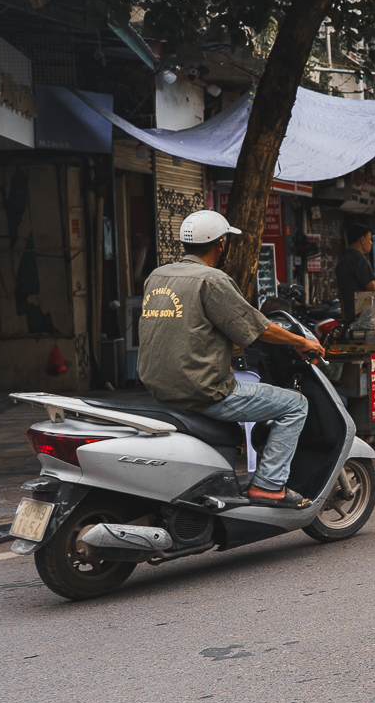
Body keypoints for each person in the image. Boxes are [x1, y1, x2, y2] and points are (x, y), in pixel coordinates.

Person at [138, 210, 324, 505]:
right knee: (296, 405)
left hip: (160, 389)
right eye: (226, 242)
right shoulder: (212, 280)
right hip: (204, 390)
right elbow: (256, 326)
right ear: (220, 244)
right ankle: (269, 484)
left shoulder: (157, 277)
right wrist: (301, 341)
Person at [335, 226, 375, 326]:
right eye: (370, 239)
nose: (371, 243)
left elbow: (341, 296)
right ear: (362, 240)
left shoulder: (342, 262)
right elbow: (373, 291)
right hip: (364, 319)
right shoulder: (360, 261)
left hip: (350, 319)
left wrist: (345, 320)